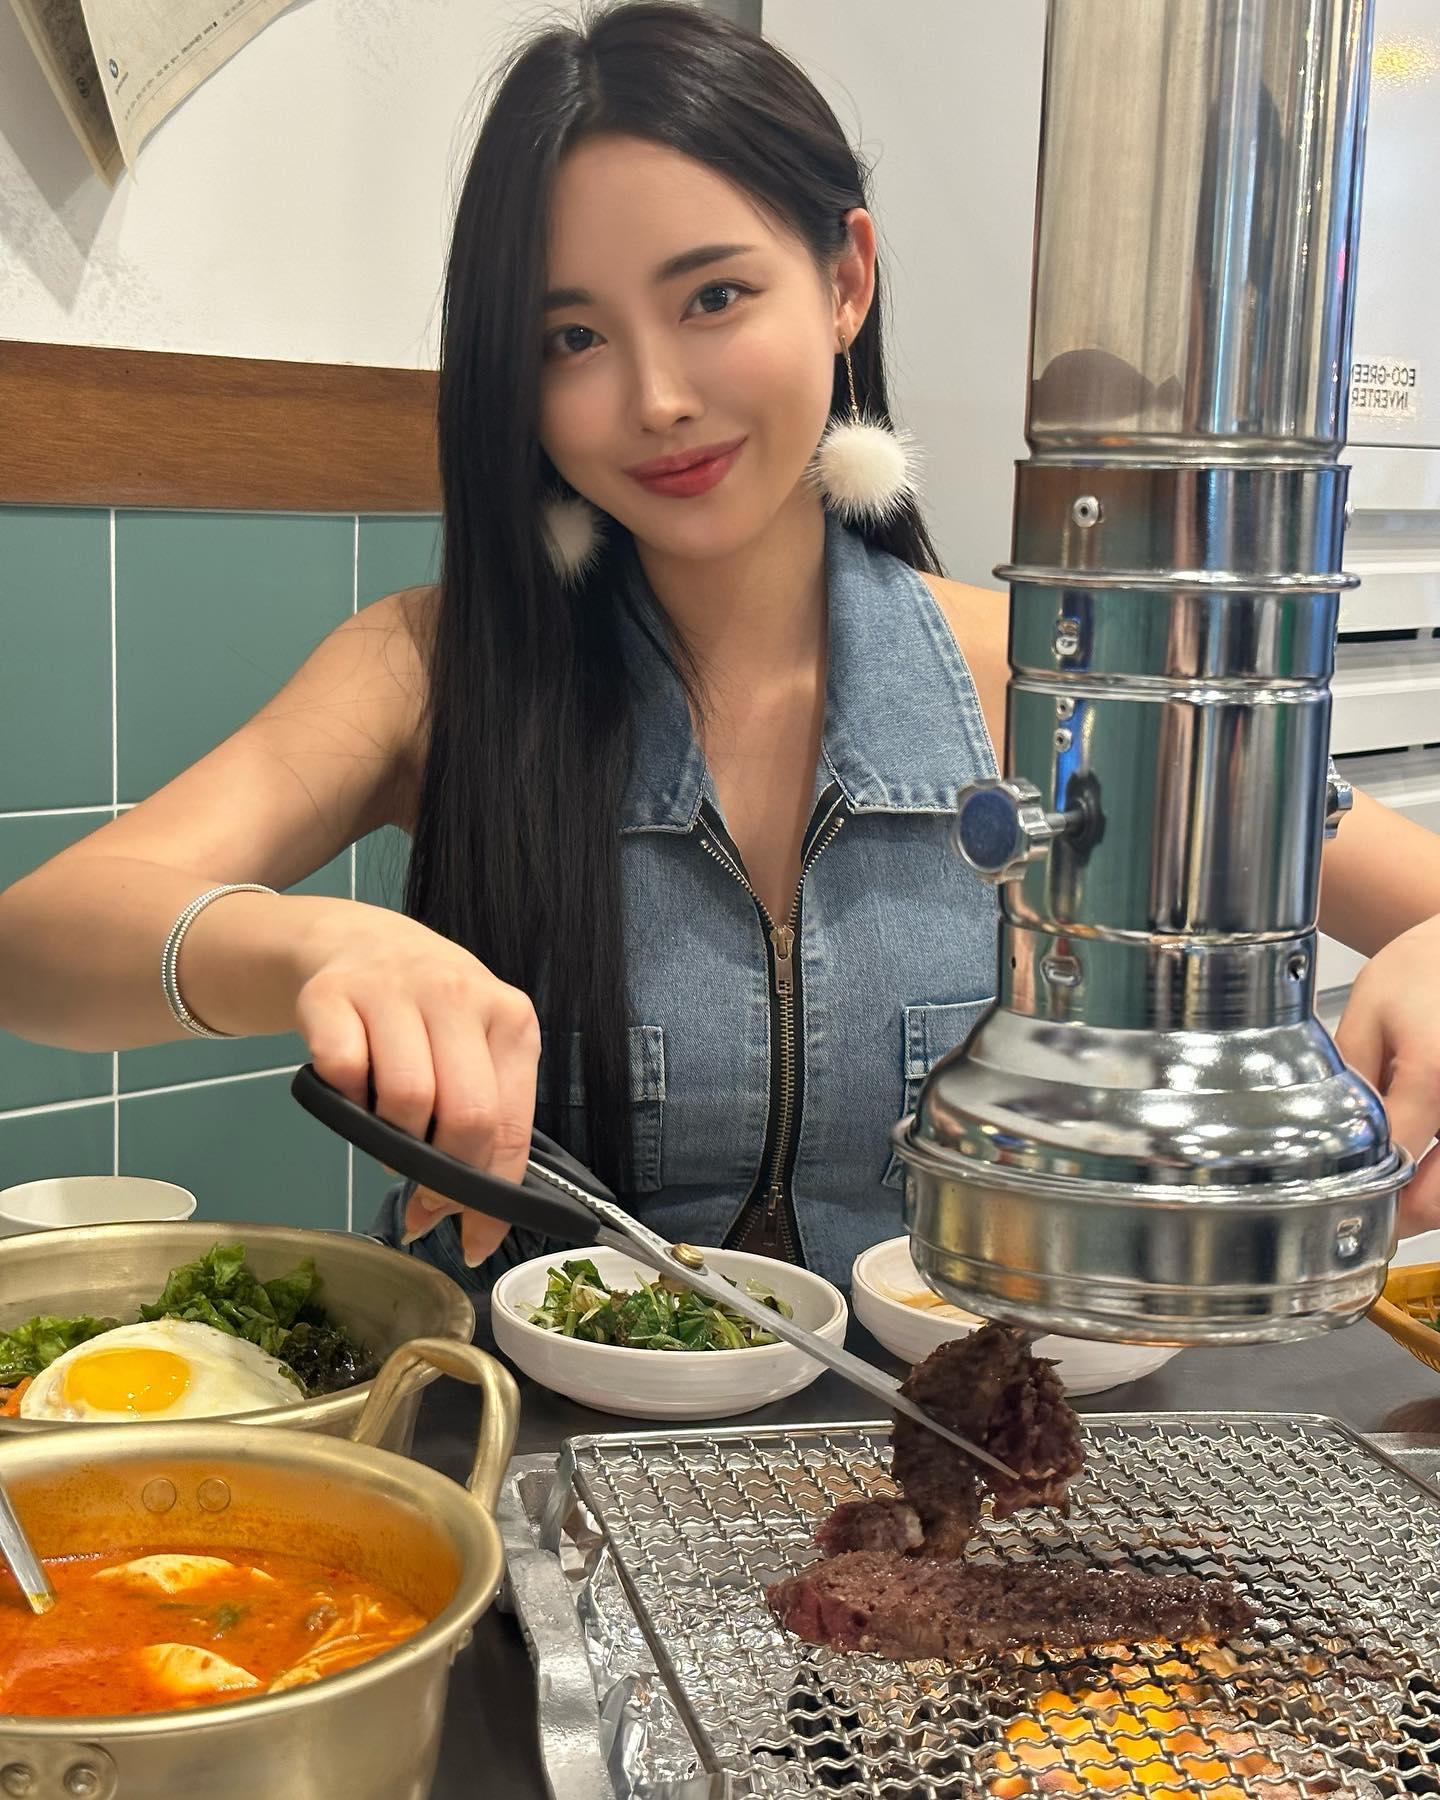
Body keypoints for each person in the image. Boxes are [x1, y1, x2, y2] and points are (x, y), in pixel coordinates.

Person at [1, 2, 1437, 1300]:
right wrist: (317, 942)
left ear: (845, 279)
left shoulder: (1049, 679)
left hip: (952, 1460)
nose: (657, 398)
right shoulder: (432, 671)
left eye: (712, 298)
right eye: (572, 338)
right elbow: (40, 941)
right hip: (521, 1457)